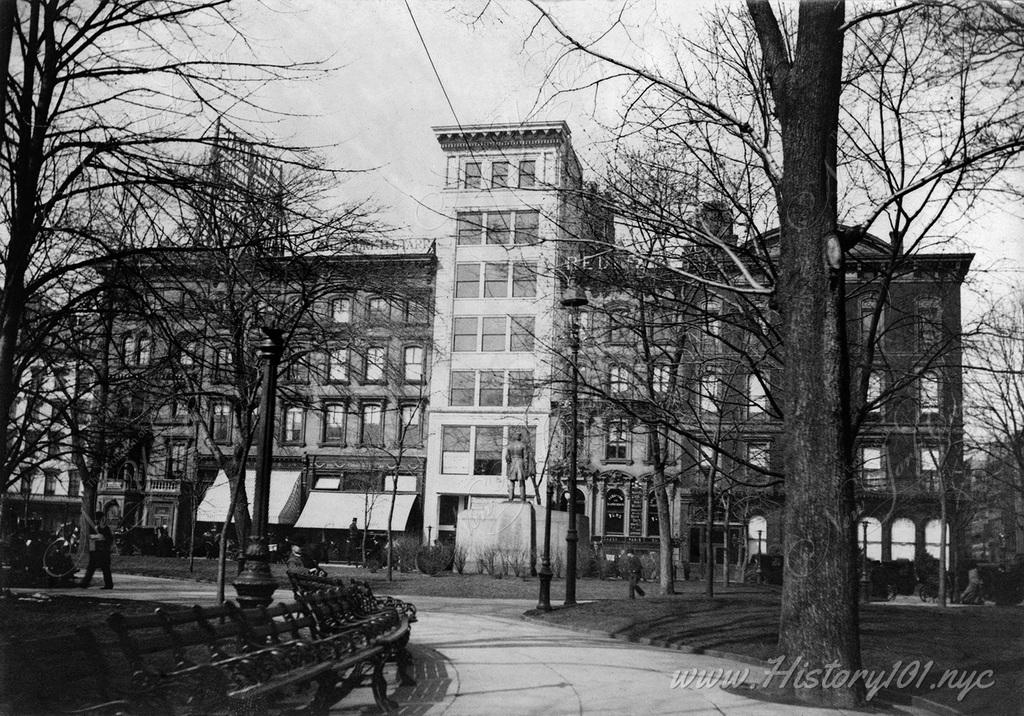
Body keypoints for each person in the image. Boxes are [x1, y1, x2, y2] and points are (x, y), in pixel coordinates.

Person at [80, 511, 113, 589]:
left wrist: (101, 537)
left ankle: (109, 585)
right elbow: (91, 538)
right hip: (95, 552)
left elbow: (108, 539)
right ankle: (85, 583)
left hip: (104, 552)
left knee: (105, 569)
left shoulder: (106, 529)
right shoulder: (96, 528)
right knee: (91, 568)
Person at [505, 432, 531, 502]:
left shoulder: (509, 446)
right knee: (522, 481)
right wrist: (526, 469)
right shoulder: (523, 445)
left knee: (511, 481)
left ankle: (510, 497)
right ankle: (522, 498)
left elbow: (507, 457)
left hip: (513, 463)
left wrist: (509, 463)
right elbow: (526, 457)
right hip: (520, 463)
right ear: (519, 437)